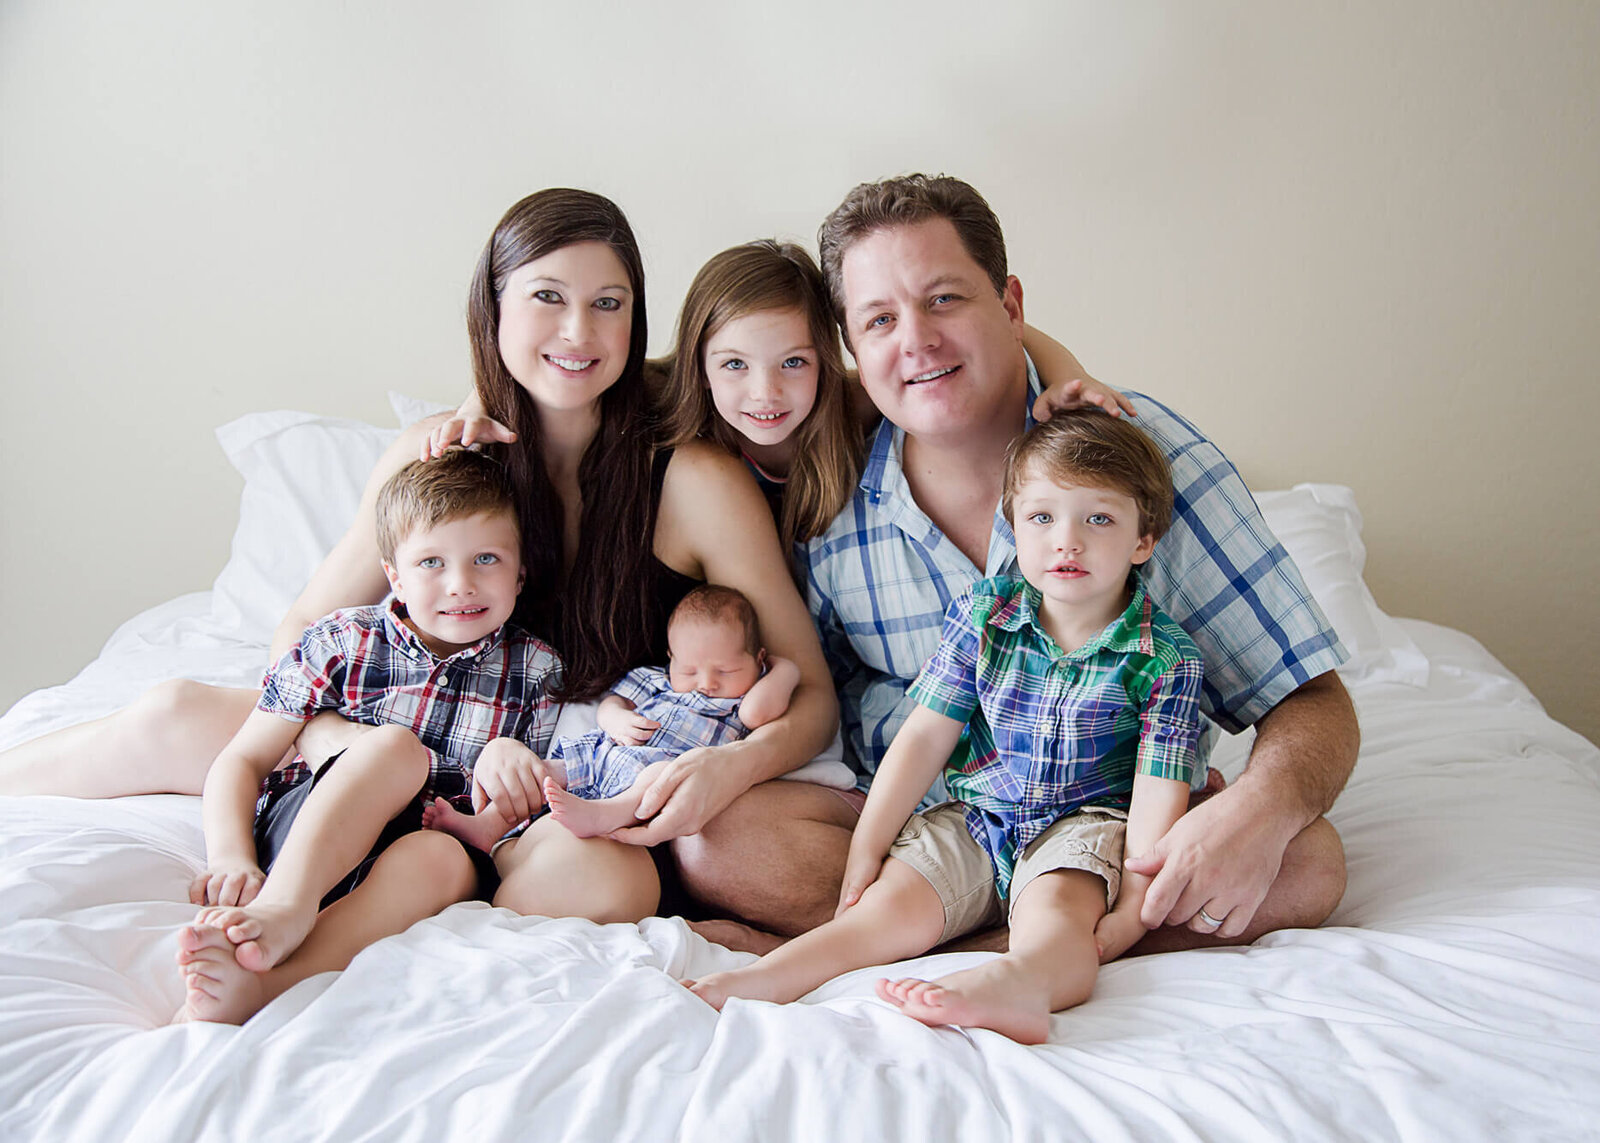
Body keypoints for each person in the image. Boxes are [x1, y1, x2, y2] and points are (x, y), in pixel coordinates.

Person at [688, 173, 1358, 954]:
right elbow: (821, 706)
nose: (916, 341)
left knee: (1308, 862)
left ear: (1010, 305)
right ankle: (1017, 943)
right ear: (852, 347)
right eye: (879, 318)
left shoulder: (1139, 457)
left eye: (944, 300)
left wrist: (1259, 811)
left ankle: (902, 948)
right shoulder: (828, 499)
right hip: (927, 840)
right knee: (722, 839)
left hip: (1100, 842)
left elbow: (1314, 699)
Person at [689, 412, 1204, 1043]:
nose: (1066, 541)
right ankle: (768, 978)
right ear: (1014, 524)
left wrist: (1132, 909)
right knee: (884, 910)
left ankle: (1021, 984)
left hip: (1086, 824)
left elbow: (1158, 788)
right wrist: (868, 846)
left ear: (1142, 540)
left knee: (1058, 918)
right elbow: (925, 735)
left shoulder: (1164, 656)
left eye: (1098, 519)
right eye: (1042, 517)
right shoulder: (985, 614)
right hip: (978, 814)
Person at [177, 449, 561, 1023]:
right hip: (312, 835)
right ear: (394, 577)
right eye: (431, 562)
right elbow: (243, 758)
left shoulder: (537, 669)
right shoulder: (342, 641)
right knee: (392, 748)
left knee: (444, 858)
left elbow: (524, 808)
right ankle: (284, 908)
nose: (461, 585)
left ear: (520, 573)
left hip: (415, 865)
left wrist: (516, 769)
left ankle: (265, 983)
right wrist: (231, 856)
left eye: (486, 559)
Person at [425, 583, 800, 848]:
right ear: (671, 660)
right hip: (606, 753)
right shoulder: (655, 681)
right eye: (689, 671)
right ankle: (487, 826)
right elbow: (612, 704)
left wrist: (784, 668)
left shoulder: (745, 697)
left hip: (663, 770)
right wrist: (617, 720)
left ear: (758, 659)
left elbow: (757, 714)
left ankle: (601, 814)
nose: (706, 683)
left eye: (726, 671)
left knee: (658, 780)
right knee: (543, 772)